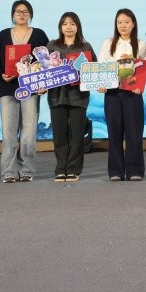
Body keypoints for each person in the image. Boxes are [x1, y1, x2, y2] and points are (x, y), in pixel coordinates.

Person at [0, 0, 49, 183]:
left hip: (30, 88)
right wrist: (1, 75)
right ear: (12, 15)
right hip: (8, 88)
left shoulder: (39, 35)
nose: (21, 14)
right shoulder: (3, 35)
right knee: (9, 132)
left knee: (29, 132)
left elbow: (46, 61)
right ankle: (8, 171)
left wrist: (43, 82)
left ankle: (27, 169)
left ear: (30, 14)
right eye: (17, 11)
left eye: (25, 11)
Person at [99, 8, 146, 182]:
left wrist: (140, 86)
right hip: (112, 93)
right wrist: (101, 84)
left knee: (134, 132)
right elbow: (102, 66)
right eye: (119, 22)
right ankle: (116, 171)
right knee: (114, 133)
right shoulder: (108, 43)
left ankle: (135, 169)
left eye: (126, 22)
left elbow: (143, 68)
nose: (123, 25)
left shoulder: (141, 44)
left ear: (133, 24)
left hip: (132, 93)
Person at [46, 12, 96, 182]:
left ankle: (74, 169)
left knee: (77, 135)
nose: (68, 27)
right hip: (56, 96)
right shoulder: (52, 46)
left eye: (72, 24)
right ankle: (61, 168)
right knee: (59, 135)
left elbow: (93, 69)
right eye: (65, 24)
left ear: (78, 27)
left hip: (78, 97)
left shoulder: (85, 47)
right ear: (60, 27)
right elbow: (43, 70)